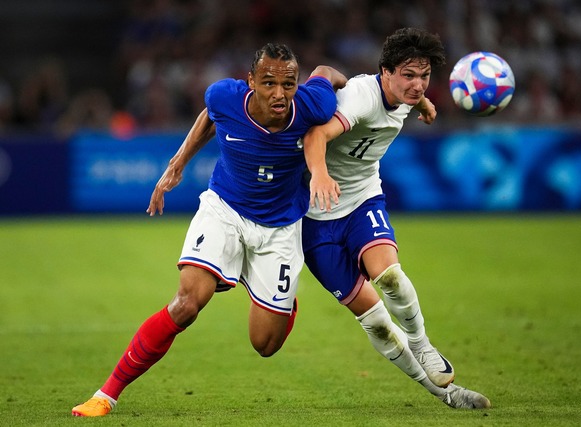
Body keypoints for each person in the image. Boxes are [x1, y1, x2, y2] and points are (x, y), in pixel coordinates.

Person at [72, 43, 347, 417]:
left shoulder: (313, 104)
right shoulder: (224, 96)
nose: (279, 94)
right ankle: (106, 395)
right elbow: (210, 114)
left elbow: (327, 74)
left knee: (265, 344)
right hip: (225, 210)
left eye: (288, 84)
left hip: (280, 227)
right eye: (268, 83)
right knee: (187, 303)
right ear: (251, 82)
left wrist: (332, 76)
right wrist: (178, 161)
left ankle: (282, 302)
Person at [302, 27, 491, 409]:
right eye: (409, 75)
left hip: (361, 200)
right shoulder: (360, 98)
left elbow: (409, 99)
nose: (418, 84)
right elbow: (316, 136)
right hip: (315, 218)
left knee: (390, 275)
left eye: (424, 76)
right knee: (376, 323)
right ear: (384, 72)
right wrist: (320, 174)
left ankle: (423, 345)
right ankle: (445, 393)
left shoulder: (407, 95)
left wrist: (422, 105)